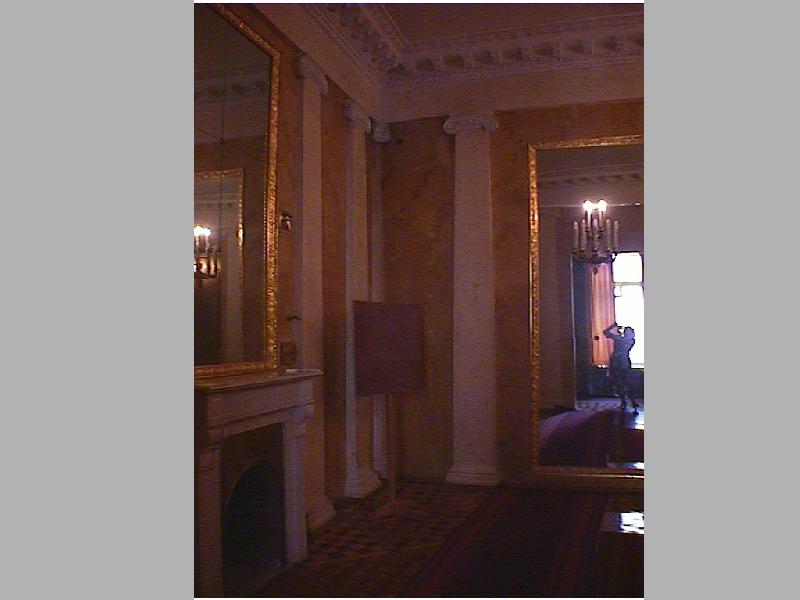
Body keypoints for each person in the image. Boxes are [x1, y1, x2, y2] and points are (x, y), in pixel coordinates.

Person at [603, 323, 637, 410]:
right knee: (622, 383)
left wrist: (613, 326)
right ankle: (627, 401)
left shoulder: (623, 339)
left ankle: (628, 401)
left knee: (625, 383)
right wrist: (614, 328)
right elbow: (606, 332)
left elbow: (606, 332)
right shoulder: (626, 340)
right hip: (620, 362)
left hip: (620, 363)